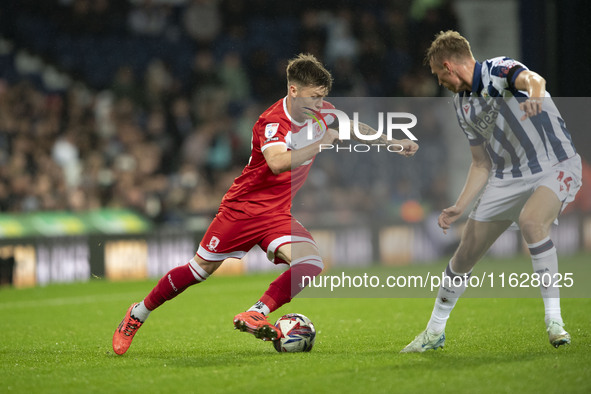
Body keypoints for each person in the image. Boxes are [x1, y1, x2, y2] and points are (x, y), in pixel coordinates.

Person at [113, 53, 418, 355]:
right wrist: (320, 143)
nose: (318, 104)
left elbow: (354, 127)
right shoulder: (272, 121)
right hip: (242, 210)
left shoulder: (321, 112)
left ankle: (257, 311)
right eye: (313, 97)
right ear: (293, 90)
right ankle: (137, 313)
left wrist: (393, 141)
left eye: (322, 97)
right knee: (199, 269)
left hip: (276, 215)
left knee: (310, 263)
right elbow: (276, 162)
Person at [400, 31, 582, 353]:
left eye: (437, 74)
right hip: (507, 176)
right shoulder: (461, 105)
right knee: (463, 256)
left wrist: (536, 94)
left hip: (554, 163)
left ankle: (555, 321)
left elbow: (533, 79)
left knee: (532, 222)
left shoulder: (499, 70)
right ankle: (434, 332)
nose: (439, 81)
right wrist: (460, 206)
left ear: (448, 66)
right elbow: (481, 162)